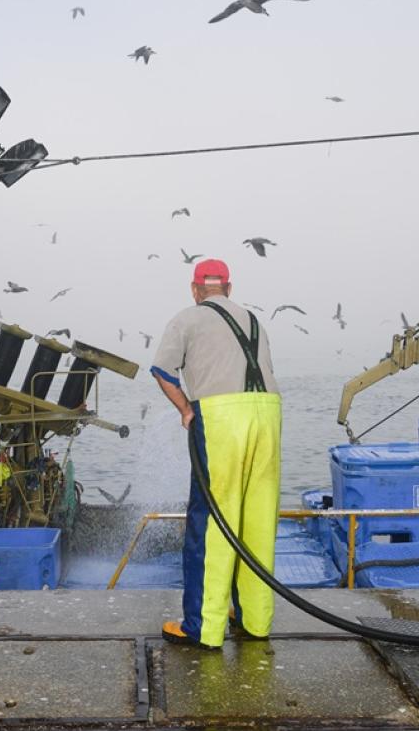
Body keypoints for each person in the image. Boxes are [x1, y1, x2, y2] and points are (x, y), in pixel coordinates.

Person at [150, 259, 282, 648]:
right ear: (229, 287)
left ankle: (202, 627)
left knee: (211, 522)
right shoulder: (255, 320)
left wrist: (187, 411)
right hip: (269, 416)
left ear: (196, 289)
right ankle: (255, 622)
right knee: (257, 521)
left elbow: (162, 369)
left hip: (223, 417)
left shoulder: (188, 318)